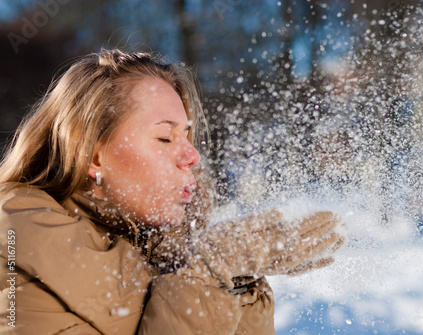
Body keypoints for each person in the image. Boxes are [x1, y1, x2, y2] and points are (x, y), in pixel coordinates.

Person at [0, 49, 345, 334]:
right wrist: (207, 275)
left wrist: (232, 280)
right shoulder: (17, 255)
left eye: (187, 137)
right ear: (93, 155)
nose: (192, 156)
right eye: (165, 138)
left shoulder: (167, 251)